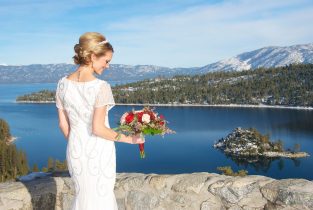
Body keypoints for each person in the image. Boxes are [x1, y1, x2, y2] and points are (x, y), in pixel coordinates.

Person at [55, 32, 145, 210]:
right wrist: (130, 139)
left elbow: (63, 124)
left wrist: (76, 144)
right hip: (99, 150)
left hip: (75, 151)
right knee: (101, 199)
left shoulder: (62, 84)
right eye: (107, 61)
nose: (108, 66)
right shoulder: (101, 87)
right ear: (93, 56)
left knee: (83, 197)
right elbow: (98, 128)